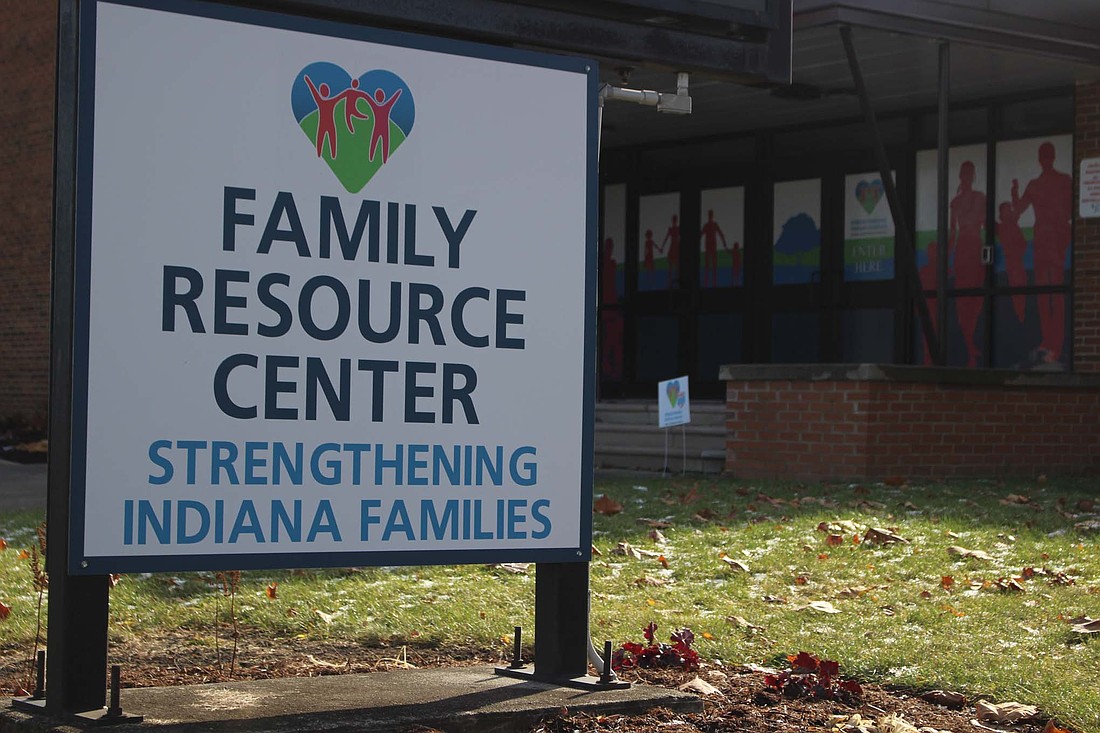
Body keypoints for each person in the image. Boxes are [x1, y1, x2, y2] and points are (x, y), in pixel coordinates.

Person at [1012, 141, 1072, 363]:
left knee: (1053, 292)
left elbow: (1018, 209)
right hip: (1047, 241)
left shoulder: (1057, 182)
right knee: (1047, 292)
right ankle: (1050, 342)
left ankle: (1054, 344)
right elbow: (1018, 210)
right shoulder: (1054, 182)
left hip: (1051, 240)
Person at [948, 160, 987, 367]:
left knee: (976, 298)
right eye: (965, 173)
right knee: (963, 300)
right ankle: (969, 346)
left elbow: (987, 224)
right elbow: (952, 233)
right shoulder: (955, 202)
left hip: (975, 249)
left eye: (970, 173)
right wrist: (945, 259)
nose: (967, 177)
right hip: (963, 251)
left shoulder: (980, 198)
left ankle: (971, 343)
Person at [996, 202, 1028, 323]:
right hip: (1013, 262)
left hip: (1016, 261)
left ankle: (1020, 312)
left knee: (1019, 285)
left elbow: (1023, 243)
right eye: (1007, 209)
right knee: (1016, 285)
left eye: (1009, 209)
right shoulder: (1006, 227)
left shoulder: (1012, 226)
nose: (1009, 211)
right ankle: (1019, 312)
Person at [303, 75, 341, 159]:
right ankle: (328, 155)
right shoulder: (329, 101)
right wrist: (308, 81)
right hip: (327, 125)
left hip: (325, 125)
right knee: (325, 141)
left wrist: (308, 81)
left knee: (328, 141)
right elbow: (341, 96)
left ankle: (330, 156)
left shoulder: (322, 101)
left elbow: (314, 91)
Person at [364, 87, 403, 164]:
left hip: (378, 129)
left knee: (375, 143)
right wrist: (399, 91)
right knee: (383, 144)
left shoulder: (375, 106)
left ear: (376, 98)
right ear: (383, 97)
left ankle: (372, 158)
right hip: (384, 129)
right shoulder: (386, 106)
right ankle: (381, 160)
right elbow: (394, 98)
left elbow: (367, 98)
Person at [699, 210, 727, 287]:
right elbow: (700, 235)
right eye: (710, 215)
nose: (710, 216)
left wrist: (724, 243)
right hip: (709, 247)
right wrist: (724, 243)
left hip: (713, 247)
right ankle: (707, 282)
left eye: (710, 215)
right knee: (708, 265)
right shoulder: (707, 225)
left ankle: (714, 282)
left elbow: (721, 234)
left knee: (713, 265)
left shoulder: (714, 225)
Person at [661, 215, 680, 288]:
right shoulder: (672, 229)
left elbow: (666, 238)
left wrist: (662, 247)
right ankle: (670, 282)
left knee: (675, 266)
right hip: (674, 248)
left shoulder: (676, 229)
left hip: (675, 248)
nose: (674, 221)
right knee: (672, 266)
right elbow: (666, 238)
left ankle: (673, 282)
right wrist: (662, 247)